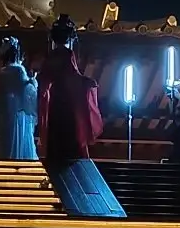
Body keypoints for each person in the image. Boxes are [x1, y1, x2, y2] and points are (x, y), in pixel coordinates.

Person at [36, 15, 124, 217]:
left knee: (58, 140)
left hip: (58, 101)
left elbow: (46, 78)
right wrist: (87, 83)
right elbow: (72, 77)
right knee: (72, 138)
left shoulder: (52, 56)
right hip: (68, 102)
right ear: (70, 38)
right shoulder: (66, 55)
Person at [0, 36, 38, 160]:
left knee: (6, 140)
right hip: (19, 114)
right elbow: (26, 90)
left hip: (6, 112)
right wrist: (33, 81)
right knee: (19, 138)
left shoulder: (3, 72)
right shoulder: (19, 70)